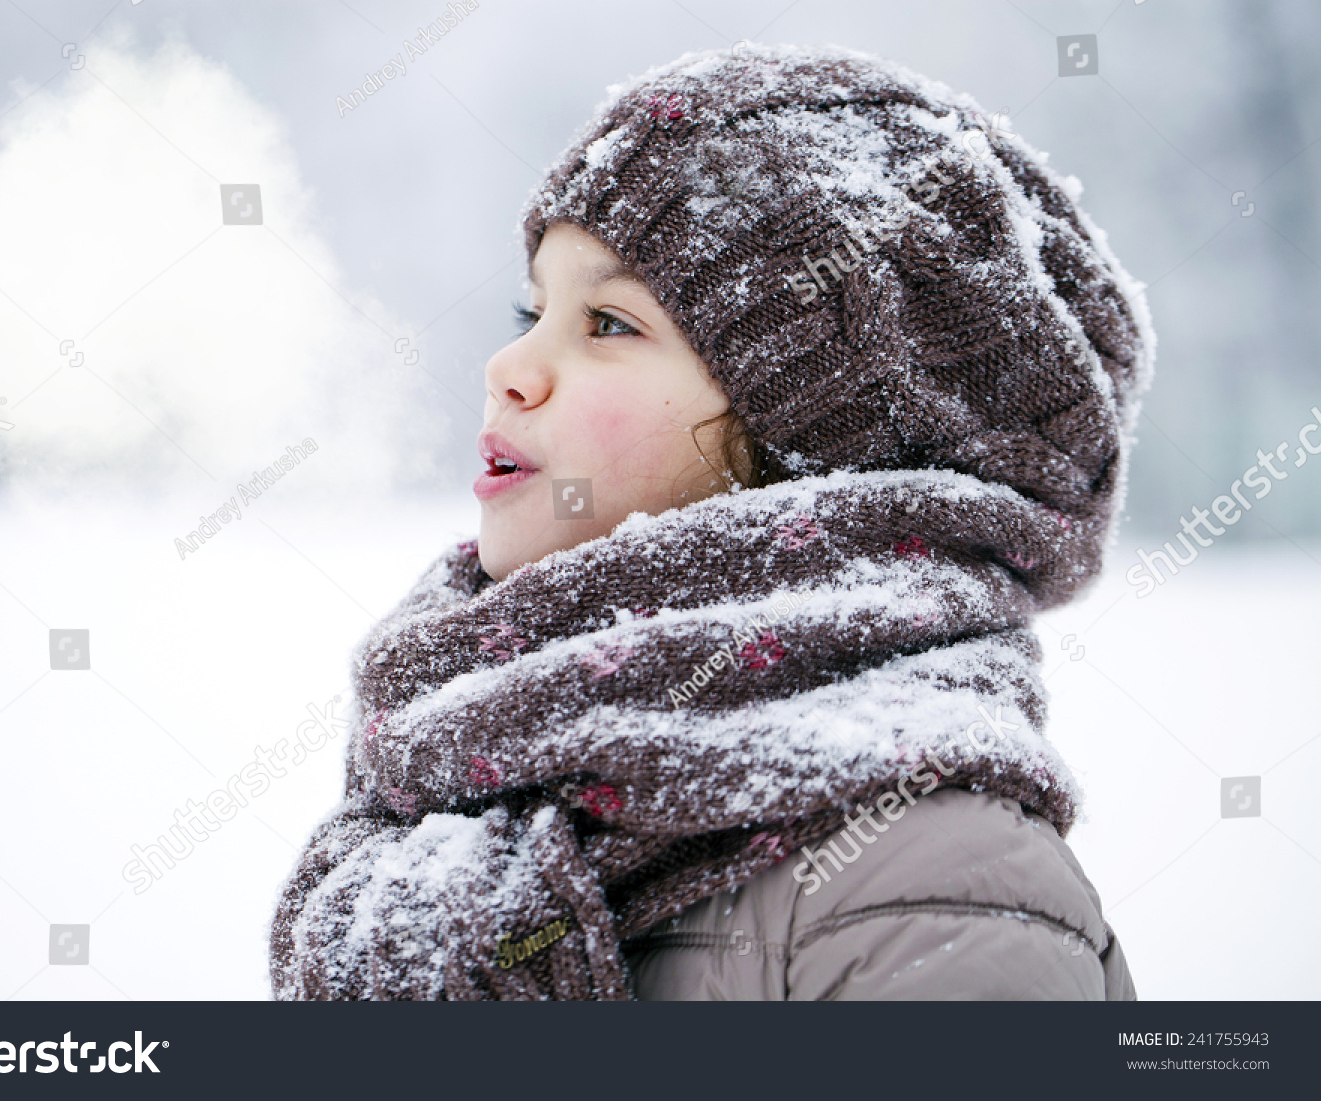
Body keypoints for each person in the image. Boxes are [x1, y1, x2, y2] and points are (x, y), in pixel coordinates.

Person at [270, 41, 1152, 1000]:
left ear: (817, 451)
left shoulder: (927, 880)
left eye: (609, 323)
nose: (509, 367)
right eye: (532, 311)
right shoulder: (462, 781)